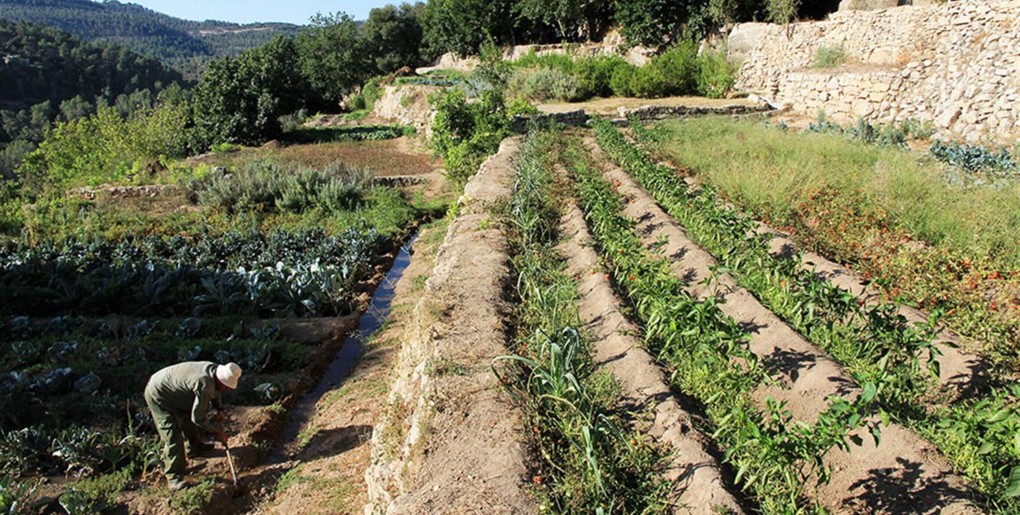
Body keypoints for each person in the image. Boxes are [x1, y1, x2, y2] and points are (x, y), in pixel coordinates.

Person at [144, 361, 242, 490]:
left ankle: (194, 448)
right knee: (173, 436)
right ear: (220, 380)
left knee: (188, 420)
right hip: (158, 394)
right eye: (226, 387)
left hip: (178, 393)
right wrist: (217, 432)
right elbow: (198, 418)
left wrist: (219, 409)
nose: (227, 390)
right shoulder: (205, 383)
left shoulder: (214, 371)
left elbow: (216, 390)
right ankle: (173, 478)